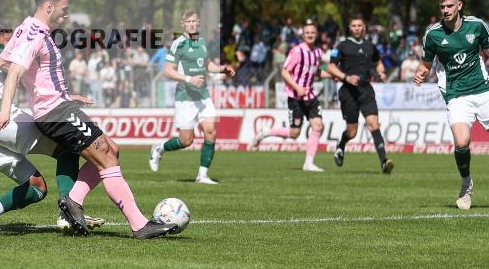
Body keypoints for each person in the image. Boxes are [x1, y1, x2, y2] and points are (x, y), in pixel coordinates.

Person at [0, 0, 177, 239]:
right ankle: (140, 225)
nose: (66, 15)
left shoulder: (25, 28)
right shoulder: (34, 34)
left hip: (58, 106)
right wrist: (5, 111)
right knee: (107, 159)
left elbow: (3, 61)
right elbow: (13, 71)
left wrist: (51, 90)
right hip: (56, 112)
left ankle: (73, 201)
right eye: (64, 10)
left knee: (112, 149)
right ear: (49, 6)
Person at [0, 23, 104, 236]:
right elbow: (31, 77)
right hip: (0, 120)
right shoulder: (2, 52)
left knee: (36, 187)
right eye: (11, 36)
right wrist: (63, 98)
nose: (16, 41)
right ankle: (69, 213)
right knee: (67, 147)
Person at [414, 0, 489, 209]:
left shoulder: (477, 26)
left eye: (449, 6)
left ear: (459, 6)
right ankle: (466, 185)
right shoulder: (433, 34)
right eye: (442, 7)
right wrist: (421, 73)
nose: (445, 10)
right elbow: (425, 64)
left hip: (484, 90)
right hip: (456, 95)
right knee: (462, 142)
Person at [148, 10, 235, 183]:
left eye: (194, 21)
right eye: (188, 22)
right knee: (186, 140)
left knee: (211, 131)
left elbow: (208, 64)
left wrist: (222, 68)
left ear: (198, 22)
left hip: (203, 95)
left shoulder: (202, 42)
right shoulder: (178, 44)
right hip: (185, 97)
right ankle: (159, 148)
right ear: (183, 24)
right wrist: (188, 79)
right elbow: (167, 71)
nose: (192, 24)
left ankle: (202, 176)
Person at [250, 21, 326, 171]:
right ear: (303, 35)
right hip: (296, 97)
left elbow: (316, 72)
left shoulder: (317, 52)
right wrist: (297, 87)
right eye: (307, 33)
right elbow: (285, 71)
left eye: (312, 32)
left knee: (318, 126)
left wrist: (333, 76)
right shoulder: (297, 51)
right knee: (294, 133)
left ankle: (309, 163)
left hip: (310, 96)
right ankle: (267, 132)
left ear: (316, 35)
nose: (310, 35)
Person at [327, 14, 393, 174]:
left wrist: (381, 73)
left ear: (364, 28)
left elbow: (379, 63)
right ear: (350, 28)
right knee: (352, 132)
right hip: (348, 92)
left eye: (359, 25)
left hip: (366, 91)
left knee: (373, 124)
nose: (357, 28)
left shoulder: (371, 46)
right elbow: (330, 67)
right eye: (354, 25)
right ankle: (341, 145)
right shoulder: (342, 46)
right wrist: (346, 77)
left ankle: (384, 162)